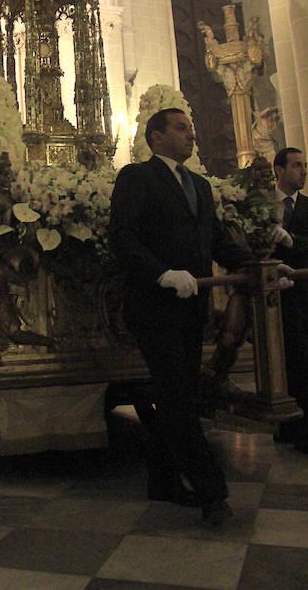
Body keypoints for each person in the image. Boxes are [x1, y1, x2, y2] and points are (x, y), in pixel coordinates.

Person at [109, 108, 249, 526]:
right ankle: (212, 493)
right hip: (154, 307)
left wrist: (260, 267)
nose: (191, 134)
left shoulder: (200, 186)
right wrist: (162, 273)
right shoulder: (137, 177)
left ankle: (163, 480)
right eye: (181, 128)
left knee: (177, 394)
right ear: (156, 137)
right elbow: (122, 236)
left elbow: (216, 242)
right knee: (179, 399)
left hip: (191, 309)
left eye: (190, 127)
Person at [271, 147, 308, 451]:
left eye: (304, 166)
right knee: (281, 363)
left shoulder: (307, 206)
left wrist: (291, 239)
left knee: (302, 359)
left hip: (303, 294)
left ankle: (302, 428)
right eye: (296, 165)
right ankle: (286, 425)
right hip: (272, 295)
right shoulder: (260, 203)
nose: (303, 171)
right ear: (279, 170)